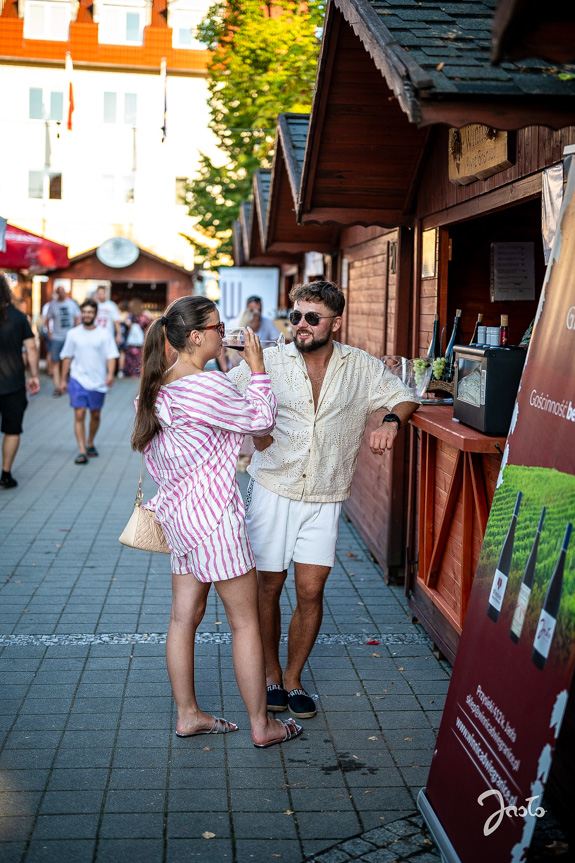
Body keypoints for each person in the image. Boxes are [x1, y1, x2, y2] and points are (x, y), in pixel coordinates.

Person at [229, 280, 421, 719]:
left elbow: (404, 396)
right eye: (295, 316)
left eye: (312, 318)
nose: (300, 325)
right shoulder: (268, 361)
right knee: (268, 587)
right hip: (273, 488)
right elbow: (222, 395)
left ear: (336, 322)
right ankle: (272, 674)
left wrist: (390, 422)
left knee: (311, 590)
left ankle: (295, 679)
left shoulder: (361, 366)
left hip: (326, 493)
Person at [131, 295, 302, 747]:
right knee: (246, 622)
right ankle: (262, 726)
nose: (224, 332)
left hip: (179, 519)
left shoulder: (158, 387)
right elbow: (261, 419)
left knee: (182, 617)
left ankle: (189, 715)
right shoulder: (207, 386)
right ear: (195, 336)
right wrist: (259, 365)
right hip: (215, 519)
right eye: (217, 326)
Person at [60, 299, 119, 464]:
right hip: (77, 379)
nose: (86, 315)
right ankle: (82, 450)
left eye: (90, 312)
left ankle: (90, 441)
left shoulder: (104, 334)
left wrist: (110, 374)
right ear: (81, 313)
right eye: (84, 312)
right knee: (79, 413)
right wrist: (64, 379)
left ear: (95, 314)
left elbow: (111, 355)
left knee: (95, 414)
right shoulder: (73, 334)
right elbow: (67, 357)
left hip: (98, 381)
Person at [0, 273, 40, 489]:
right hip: (13, 382)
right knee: (12, 429)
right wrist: (34, 375)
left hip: (12, 382)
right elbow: (31, 348)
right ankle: (5, 473)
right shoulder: (18, 317)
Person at [46, 285, 80, 396]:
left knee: (69, 360)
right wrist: (50, 334)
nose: (61, 293)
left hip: (69, 337)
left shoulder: (71, 304)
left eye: (62, 291)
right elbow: (47, 319)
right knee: (55, 361)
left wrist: (75, 333)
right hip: (57, 337)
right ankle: (58, 386)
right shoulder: (53, 304)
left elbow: (77, 319)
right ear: (56, 293)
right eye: (59, 291)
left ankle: (65, 383)